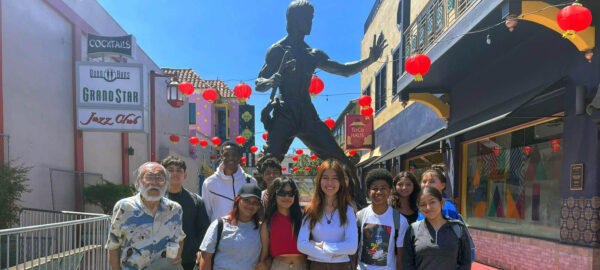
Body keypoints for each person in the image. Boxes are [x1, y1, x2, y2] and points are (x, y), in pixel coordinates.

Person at [255, 0, 386, 203]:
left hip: (307, 113)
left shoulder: (312, 54)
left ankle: (359, 205)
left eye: (312, 18)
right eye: (307, 18)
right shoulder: (277, 50)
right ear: (295, 19)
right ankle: (256, 206)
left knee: (341, 162)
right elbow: (259, 82)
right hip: (284, 113)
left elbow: (343, 70)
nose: (310, 23)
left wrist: (370, 60)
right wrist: (272, 80)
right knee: (267, 165)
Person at [106, 162, 186, 270]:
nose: (154, 183)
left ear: (166, 183)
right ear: (138, 181)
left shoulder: (175, 209)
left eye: (160, 178)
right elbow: (113, 246)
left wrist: (177, 256)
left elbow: (179, 239)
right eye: (149, 177)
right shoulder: (124, 207)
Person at [297, 159, 358, 269]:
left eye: (335, 178)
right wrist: (335, 254)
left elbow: (352, 247)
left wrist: (321, 246)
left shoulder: (348, 210)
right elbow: (301, 245)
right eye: (325, 178)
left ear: (341, 182)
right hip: (316, 266)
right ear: (319, 180)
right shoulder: (311, 210)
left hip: (341, 266)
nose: (330, 183)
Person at [402, 187, 472, 270]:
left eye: (432, 202)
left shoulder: (458, 228)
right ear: (419, 208)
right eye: (423, 204)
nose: (428, 207)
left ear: (442, 202)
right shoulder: (413, 230)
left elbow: (465, 262)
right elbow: (407, 263)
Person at [161, 156, 210, 270]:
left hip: (188, 260)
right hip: (159, 260)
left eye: (179, 170)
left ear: (185, 175)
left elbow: (204, 229)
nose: (175, 173)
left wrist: (196, 251)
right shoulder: (155, 200)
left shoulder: (196, 201)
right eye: (171, 170)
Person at [199, 183, 263, 270]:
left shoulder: (261, 229)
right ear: (238, 200)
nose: (250, 205)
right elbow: (206, 257)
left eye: (255, 202)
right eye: (246, 200)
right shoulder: (219, 225)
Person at [356, 168, 408, 270]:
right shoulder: (360, 216)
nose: (379, 192)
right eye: (374, 188)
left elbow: (400, 256)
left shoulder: (400, 221)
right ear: (368, 191)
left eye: (383, 188)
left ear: (390, 191)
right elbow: (355, 249)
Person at [258, 177, 307, 270]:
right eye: (282, 193)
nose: (287, 197)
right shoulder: (268, 222)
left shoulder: (304, 218)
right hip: (278, 266)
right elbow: (265, 253)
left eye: (291, 193)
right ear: (274, 195)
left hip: (303, 266)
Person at [202, 141, 257, 221]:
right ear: (221, 157)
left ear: (239, 157)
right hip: (220, 232)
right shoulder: (209, 183)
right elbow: (207, 212)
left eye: (234, 155)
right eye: (226, 155)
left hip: (245, 232)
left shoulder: (251, 182)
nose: (230, 158)